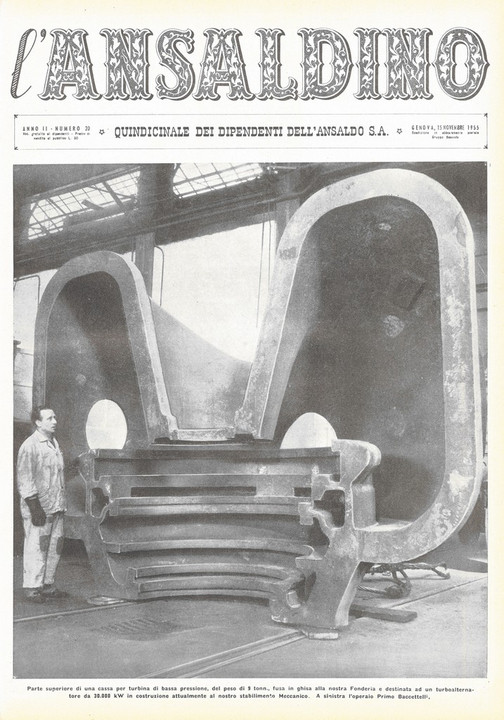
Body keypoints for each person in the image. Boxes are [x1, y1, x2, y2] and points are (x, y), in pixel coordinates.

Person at [16, 406, 67, 603]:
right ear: (38, 422)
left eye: (55, 417)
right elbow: (24, 478)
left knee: (54, 545)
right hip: (39, 506)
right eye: (49, 418)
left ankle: (47, 584)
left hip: (56, 505)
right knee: (36, 545)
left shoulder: (54, 443)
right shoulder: (30, 446)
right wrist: (34, 505)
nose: (55, 421)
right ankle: (32, 587)